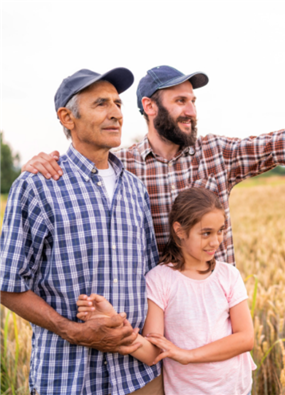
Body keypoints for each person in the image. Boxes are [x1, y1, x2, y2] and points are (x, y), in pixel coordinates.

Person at [22, 65, 285, 265]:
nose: (191, 111)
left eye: (193, 101)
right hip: (157, 320)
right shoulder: (123, 167)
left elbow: (282, 141)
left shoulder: (216, 153)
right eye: (180, 102)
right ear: (150, 108)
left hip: (216, 312)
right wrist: (37, 162)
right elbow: (80, 160)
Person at [0, 68, 163, 395]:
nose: (116, 113)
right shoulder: (37, 187)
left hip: (139, 376)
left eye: (118, 104)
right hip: (69, 377)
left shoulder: (134, 189)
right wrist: (73, 331)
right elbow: (7, 285)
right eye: (101, 104)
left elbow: (151, 276)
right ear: (67, 117)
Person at [76, 187, 256, 395]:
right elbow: (152, 352)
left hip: (236, 389)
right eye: (206, 233)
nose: (215, 241)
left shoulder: (229, 275)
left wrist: (188, 355)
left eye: (220, 231)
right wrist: (112, 320)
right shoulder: (160, 280)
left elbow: (245, 339)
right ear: (179, 230)